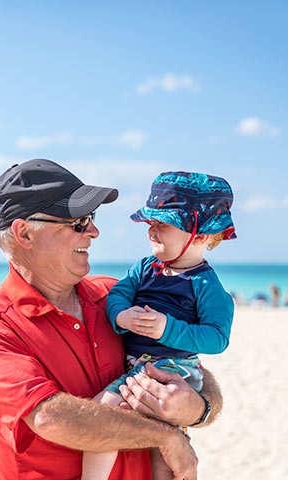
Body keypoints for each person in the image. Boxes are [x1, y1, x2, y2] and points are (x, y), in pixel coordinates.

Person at [0, 159, 223, 480]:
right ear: (24, 233)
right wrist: (165, 436)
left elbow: (193, 369)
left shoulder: (116, 296)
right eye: (78, 223)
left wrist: (199, 408)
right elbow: (51, 418)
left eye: (91, 218)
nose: (94, 231)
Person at [83, 171, 236, 480]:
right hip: (137, 365)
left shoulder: (205, 284)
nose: (152, 232)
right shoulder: (145, 267)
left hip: (176, 368)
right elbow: (119, 293)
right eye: (150, 225)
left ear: (202, 235)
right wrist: (120, 316)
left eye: (162, 225)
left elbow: (217, 338)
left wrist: (169, 328)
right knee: (160, 446)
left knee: (103, 413)